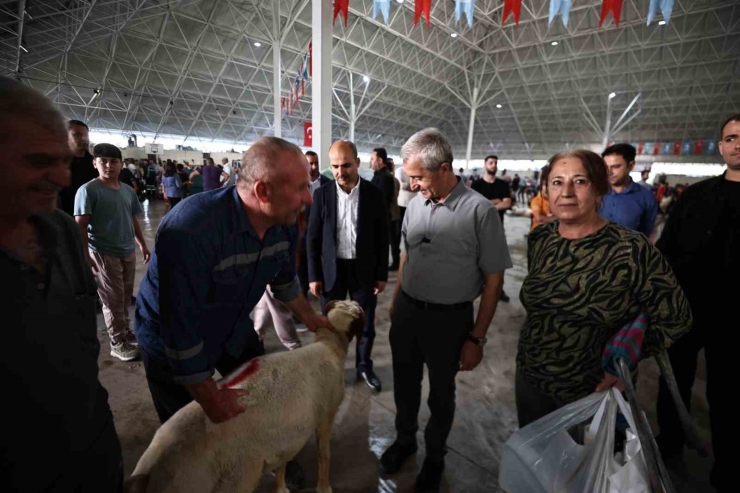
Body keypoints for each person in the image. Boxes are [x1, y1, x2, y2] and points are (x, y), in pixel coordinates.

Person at [134, 137, 332, 490]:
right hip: (169, 338)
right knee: (190, 428)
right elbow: (180, 327)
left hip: (230, 325)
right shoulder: (191, 228)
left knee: (266, 394)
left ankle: (275, 459)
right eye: (301, 188)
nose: (308, 198)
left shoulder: (283, 221)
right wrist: (209, 397)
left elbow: (284, 279)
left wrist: (311, 317)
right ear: (263, 191)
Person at [0, 76, 123, 492]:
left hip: (90, 438)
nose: (58, 176)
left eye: (63, 161)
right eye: (38, 162)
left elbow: (83, 339)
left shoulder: (61, 232)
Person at [517, 149, 692, 428]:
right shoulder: (541, 238)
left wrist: (626, 359)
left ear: (599, 191)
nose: (567, 192)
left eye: (580, 181)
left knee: (583, 468)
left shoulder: (630, 248)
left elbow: (677, 318)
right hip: (531, 379)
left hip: (592, 388)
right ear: (546, 190)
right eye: (557, 182)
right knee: (535, 464)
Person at [380, 129, 511, 492]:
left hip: (449, 320)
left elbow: (494, 280)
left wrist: (476, 337)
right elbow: (407, 255)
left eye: (419, 177)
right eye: (410, 177)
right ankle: (405, 440)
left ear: (444, 168)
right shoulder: (415, 204)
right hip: (408, 311)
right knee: (404, 385)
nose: (413, 184)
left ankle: (434, 457)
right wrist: (395, 303)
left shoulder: (479, 211)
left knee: (441, 393)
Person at [655, 114, 740, 492]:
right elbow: (666, 251)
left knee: (728, 391)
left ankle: (728, 464)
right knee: (673, 380)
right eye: (731, 138)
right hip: (686, 309)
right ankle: (669, 442)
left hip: (735, 319)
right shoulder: (696, 196)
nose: (737, 143)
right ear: (720, 147)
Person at [307, 140, 389, 392]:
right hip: (332, 272)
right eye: (335, 166)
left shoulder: (374, 194)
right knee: (330, 326)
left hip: (363, 271)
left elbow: (381, 236)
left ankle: (364, 366)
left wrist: (381, 274)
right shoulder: (322, 194)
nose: (340, 172)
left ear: (358, 163)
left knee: (365, 325)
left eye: (346, 165)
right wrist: (313, 275)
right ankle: (331, 370)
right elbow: (312, 237)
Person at [75, 143, 151, 361]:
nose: (109, 166)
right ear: (95, 164)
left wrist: (142, 244)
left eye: (114, 161)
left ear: (121, 164)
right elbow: (80, 225)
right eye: (104, 161)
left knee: (125, 297)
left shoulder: (127, 190)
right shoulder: (88, 190)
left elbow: (133, 218)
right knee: (112, 300)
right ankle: (117, 343)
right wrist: (84, 254)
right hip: (103, 252)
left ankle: (125, 333)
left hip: (126, 250)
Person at [470, 155, 512, 302]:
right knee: (476, 260)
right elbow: (474, 206)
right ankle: (478, 286)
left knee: (498, 261)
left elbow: (507, 203)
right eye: (491, 163)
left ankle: (498, 289)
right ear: (485, 165)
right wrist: (495, 202)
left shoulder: (503, 185)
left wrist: (486, 204)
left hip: (497, 228)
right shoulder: (476, 185)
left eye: (495, 163)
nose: (493, 165)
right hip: (478, 228)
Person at [600, 143, 659, 238]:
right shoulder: (596, 192)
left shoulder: (646, 198)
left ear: (631, 166)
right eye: (606, 167)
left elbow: (646, 234)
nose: (609, 172)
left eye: (616, 167)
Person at [299, 150, 331, 297]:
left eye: (316, 163)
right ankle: (302, 295)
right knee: (302, 266)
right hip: (302, 232)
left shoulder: (328, 184)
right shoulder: (298, 184)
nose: (314, 166)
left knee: (322, 262)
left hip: (323, 232)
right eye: (310, 163)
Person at [58, 119, 98, 215]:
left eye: (86, 135)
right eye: (77, 134)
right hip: (65, 219)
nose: (84, 138)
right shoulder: (58, 164)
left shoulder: (96, 164)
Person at [529, 166, 555, 232]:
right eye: (544, 184)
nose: (547, 188)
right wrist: (562, 219)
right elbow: (540, 218)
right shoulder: (537, 200)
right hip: (539, 234)